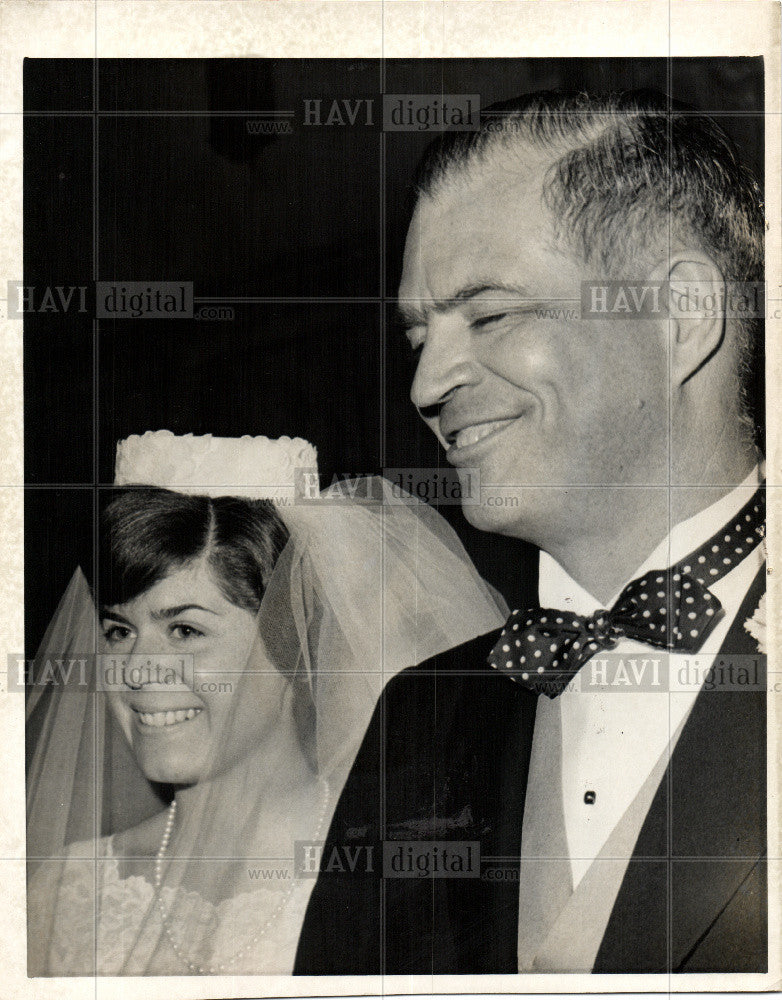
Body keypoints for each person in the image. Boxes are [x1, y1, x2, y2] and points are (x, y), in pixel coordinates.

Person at [296, 91, 767, 974]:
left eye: (491, 315)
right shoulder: (416, 716)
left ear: (680, 316)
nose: (426, 387)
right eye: (417, 338)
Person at [26, 430, 507, 975]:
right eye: (117, 631)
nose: (135, 670)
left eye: (184, 630)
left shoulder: (397, 878)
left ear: (292, 639)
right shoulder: (64, 889)